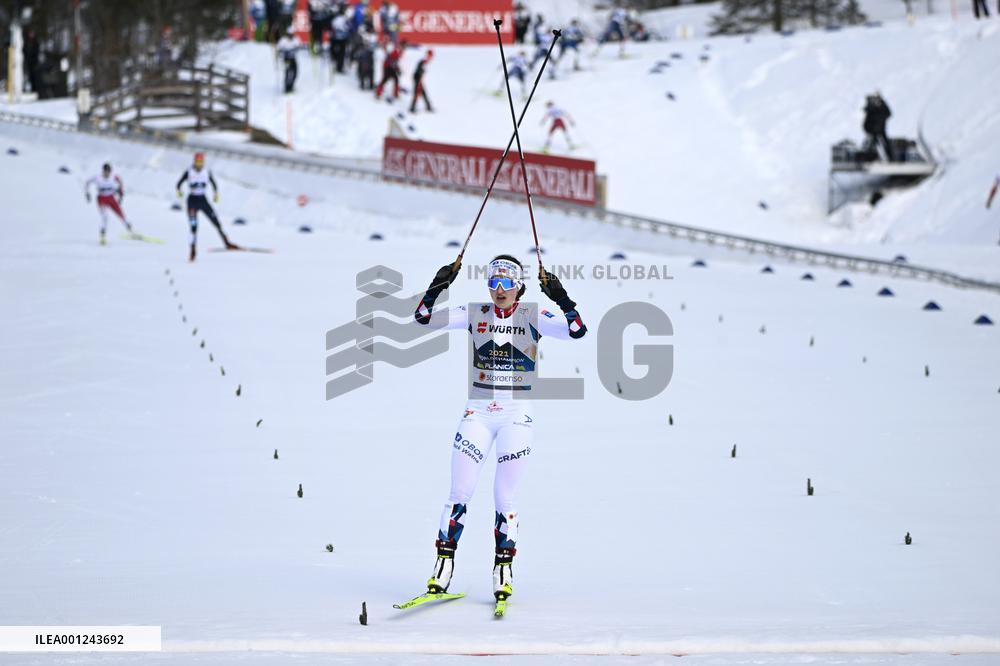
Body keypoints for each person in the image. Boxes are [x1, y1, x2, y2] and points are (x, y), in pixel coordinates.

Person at [413, 255, 587, 607]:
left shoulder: (534, 315)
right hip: (477, 414)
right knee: (459, 492)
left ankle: (503, 572)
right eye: (493, 281)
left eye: (508, 282)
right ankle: (442, 569)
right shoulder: (475, 313)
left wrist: (560, 296)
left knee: (504, 497)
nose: (500, 290)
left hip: (515, 417)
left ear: (520, 285)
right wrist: (438, 284)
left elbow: (577, 330)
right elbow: (423, 319)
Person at [175, 152, 237, 262]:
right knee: (193, 227)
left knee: (216, 221)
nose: (199, 164)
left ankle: (227, 242)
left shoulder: (206, 172)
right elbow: (178, 184)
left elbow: (214, 184)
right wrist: (179, 192)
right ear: (194, 162)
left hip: (203, 200)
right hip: (192, 201)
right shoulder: (189, 172)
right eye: (197, 162)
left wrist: (216, 194)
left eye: (201, 162)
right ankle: (193, 250)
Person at [84, 162, 133, 245]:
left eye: (108, 172)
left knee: (120, 213)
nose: (107, 173)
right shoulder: (97, 178)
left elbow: (120, 185)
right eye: (105, 171)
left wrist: (120, 195)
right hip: (102, 199)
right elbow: (87, 182)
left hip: (111, 198)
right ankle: (103, 236)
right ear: (103, 171)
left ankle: (131, 231)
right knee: (105, 217)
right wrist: (87, 193)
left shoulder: (114, 177)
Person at [863, 93, 893, 162]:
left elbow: (889, 113)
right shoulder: (872, 109)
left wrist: (882, 101)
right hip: (873, 130)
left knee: (885, 144)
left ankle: (890, 158)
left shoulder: (882, 109)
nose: (876, 102)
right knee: (872, 145)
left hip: (880, 129)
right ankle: (870, 158)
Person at [276, 29, 300, 93]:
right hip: (286, 59)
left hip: (293, 58)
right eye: (289, 35)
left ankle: (291, 86)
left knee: (295, 72)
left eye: (291, 35)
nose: (290, 36)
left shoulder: (296, 40)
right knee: (287, 72)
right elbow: (278, 49)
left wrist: (294, 50)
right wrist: (282, 53)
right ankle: (286, 88)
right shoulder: (283, 40)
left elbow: (298, 47)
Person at [330, 9, 350, 73]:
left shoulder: (335, 19)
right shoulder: (345, 19)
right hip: (342, 38)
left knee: (336, 51)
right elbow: (348, 27)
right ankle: (339, 67)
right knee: (341, 53)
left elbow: (332, 26)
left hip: (335, 38)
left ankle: (334, 59)